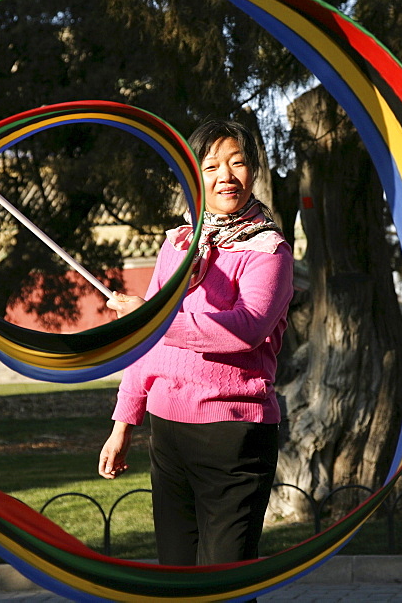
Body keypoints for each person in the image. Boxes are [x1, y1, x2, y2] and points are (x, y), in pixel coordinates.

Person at [98, 119, 293, 567]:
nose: (225, 176)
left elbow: (246, 328)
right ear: (193, 178)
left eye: (237, 163)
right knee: (177, 575)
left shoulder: (270, 251)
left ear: (254, 171)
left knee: (225, 578)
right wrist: (123, 425)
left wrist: (154, 317)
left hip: (234, 433)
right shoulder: (180, 243)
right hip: (167, 431)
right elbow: (147, 346)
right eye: (210, 166)